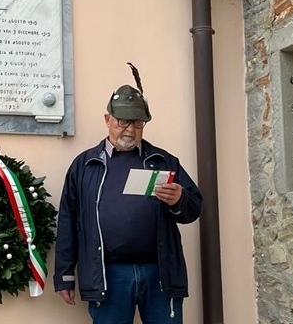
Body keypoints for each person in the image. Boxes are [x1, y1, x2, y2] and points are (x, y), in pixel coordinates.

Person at [54, 63, 202, 324]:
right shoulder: (84, 165)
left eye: (137, 122)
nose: (130, 129)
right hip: (107, 275)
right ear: (108, 119)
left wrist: (180, 199)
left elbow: (194, 208)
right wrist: (64, 275)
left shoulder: (163, 161)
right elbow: (68, 221)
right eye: (123, 121)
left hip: (159, 274)